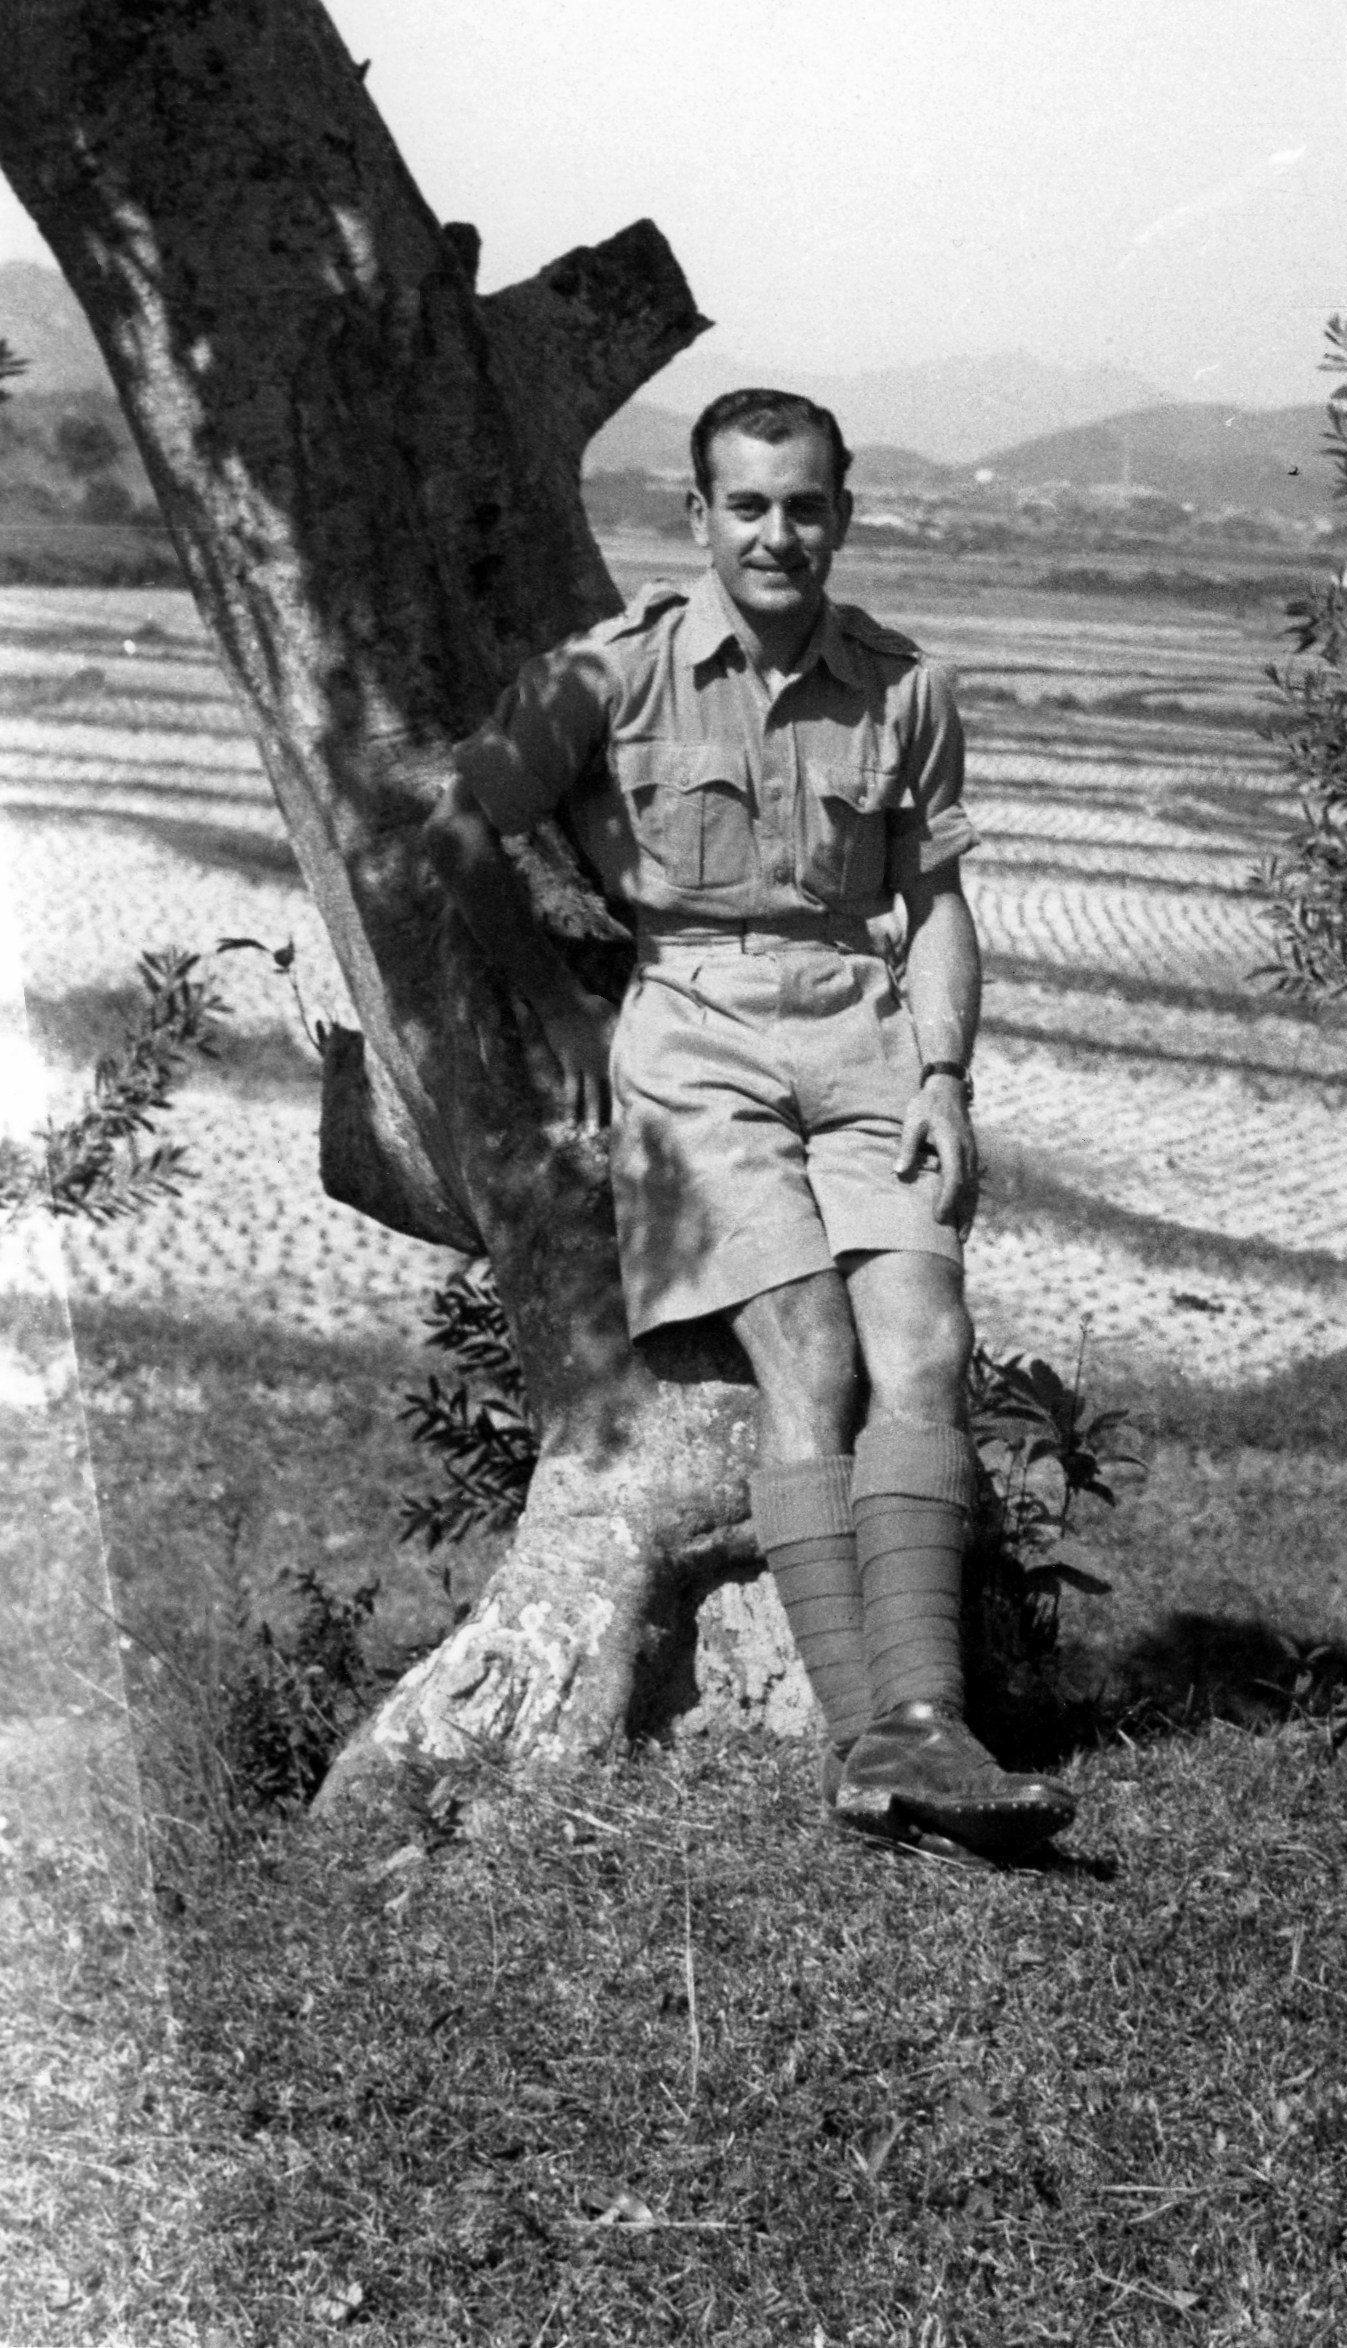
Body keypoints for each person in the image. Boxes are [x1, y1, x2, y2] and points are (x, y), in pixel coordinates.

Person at [424, 387, 1074, 1864]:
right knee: (814, 1361)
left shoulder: (907, 687)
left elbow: (941, 905)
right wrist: (572, 1014)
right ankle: (879, 1739)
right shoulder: (617, 668)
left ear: (842, 514)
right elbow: (463, 821)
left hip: (868, 1030)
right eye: (749, 505)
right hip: (694, 1033)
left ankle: (926, 1728)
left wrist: (945, 1077)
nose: (777, 533)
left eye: (805, 505)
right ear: (700, 515)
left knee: (928, 1349)